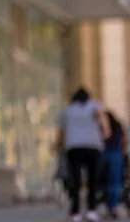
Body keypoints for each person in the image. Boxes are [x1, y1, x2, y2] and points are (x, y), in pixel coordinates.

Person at [55, 86, 111, 222]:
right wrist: (106, 132)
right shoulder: (93, 105)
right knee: (93, 180)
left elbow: (62, 131)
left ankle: (75, 213)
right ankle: (92, 210)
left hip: (73, 146)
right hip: (92, 146)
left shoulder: (67, 110)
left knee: (75, 179)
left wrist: (58, 144)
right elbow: (102, 119)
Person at [101, 110, 127, 219]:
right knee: (115, 182)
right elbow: (124, 141)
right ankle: (113, 206)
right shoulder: (118, 127)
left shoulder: (101, 127)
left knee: (105, 182)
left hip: (103, 154)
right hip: (116, 154)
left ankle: (108, 205)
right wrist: (124, 154)